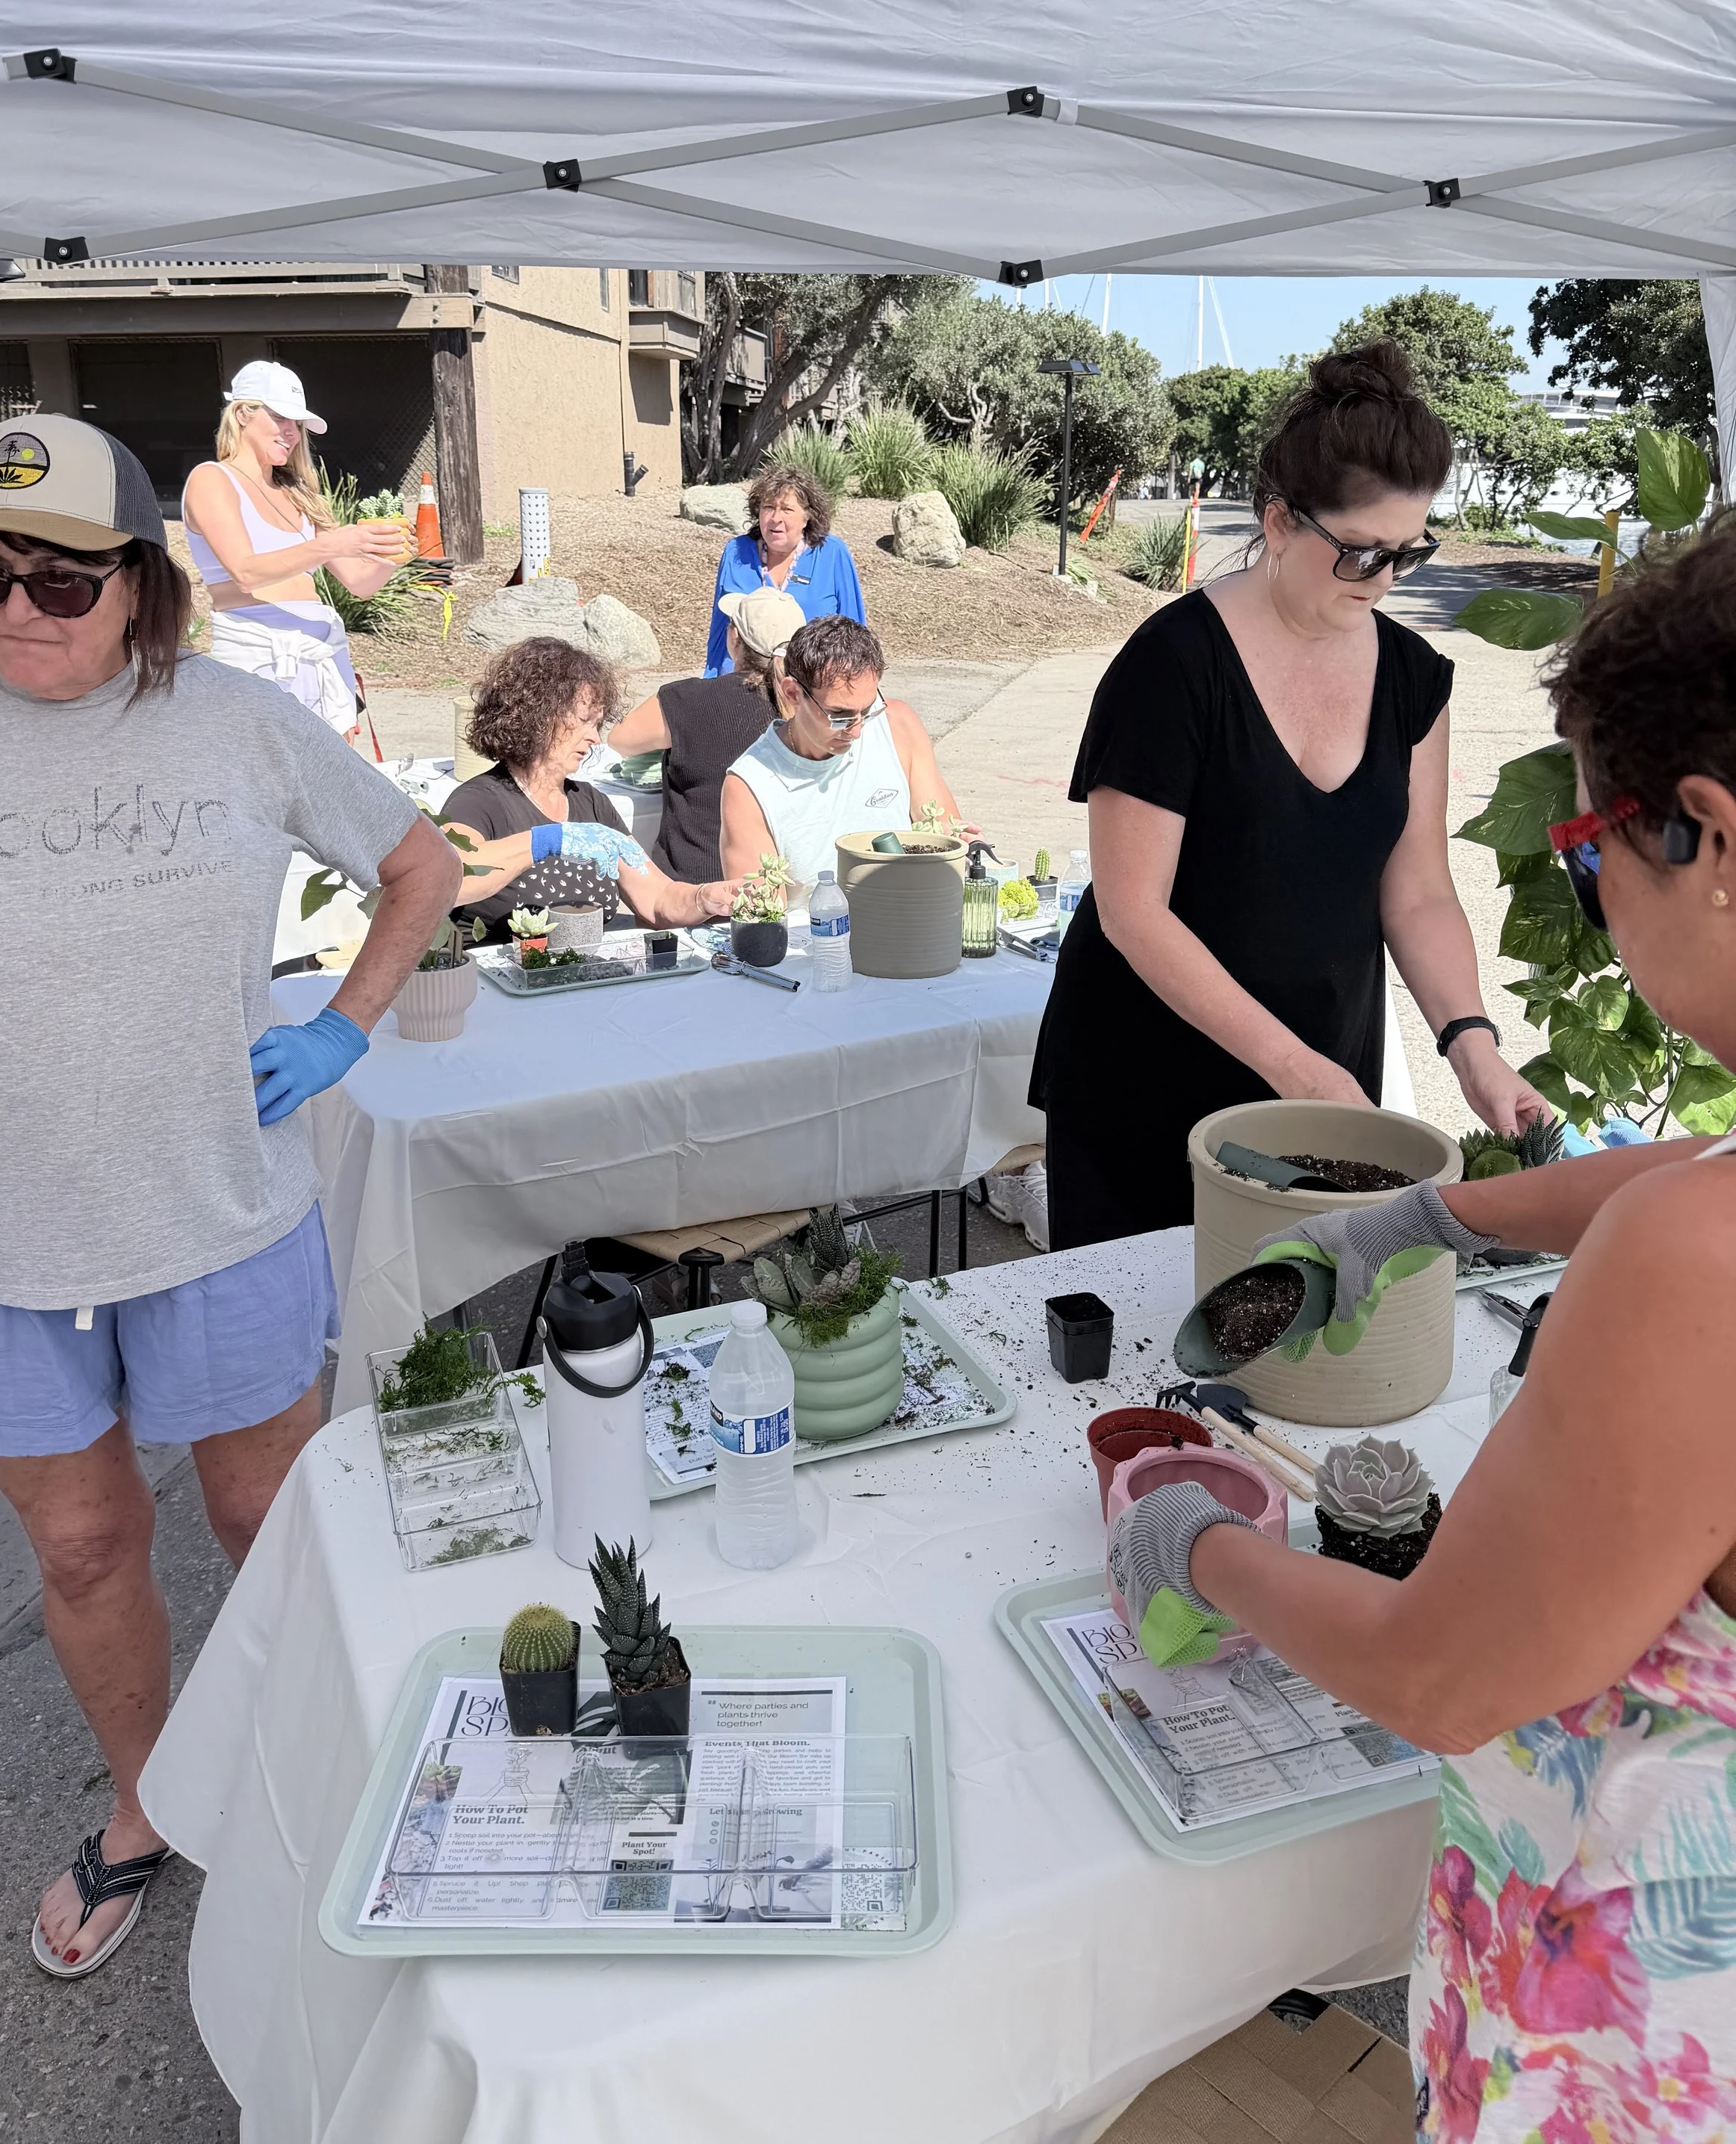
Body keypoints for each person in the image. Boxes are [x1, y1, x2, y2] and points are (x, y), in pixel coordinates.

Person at [1109, 516, 1736, 2140]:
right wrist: (1435, 1214)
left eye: (1591, 847)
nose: (1589, 892)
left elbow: (1444, 1674)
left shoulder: (1691, 1266)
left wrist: (1187, 1543)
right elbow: (1690, 1160)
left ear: (1710, 838)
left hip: (1647, 2031)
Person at [0, 415, 459, 1976]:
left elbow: (420, 863)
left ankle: (302, 1769)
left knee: (268, 1511)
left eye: (58, 582)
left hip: (221, 1212)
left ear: (142, 582)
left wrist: (339, 1026)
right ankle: (148, 1802)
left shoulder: (238, 722)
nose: (11, 610)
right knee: (82, 1545)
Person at [1030, 342, 1542, 1250]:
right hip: (1145, 1076)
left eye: (1406, 553)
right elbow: (1131, 911)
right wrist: (1289, 1065)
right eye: (1358, 554)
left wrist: (1472, 1045)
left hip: (1322, 1078)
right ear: (1277, 522)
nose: (1383, 582)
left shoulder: (1414, 679)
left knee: (1301, 1340)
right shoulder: (1174, 664)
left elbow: (1417, 889)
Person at [439, 637, 737, 937]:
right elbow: (455, 879)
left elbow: (657, 899)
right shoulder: (478, 801)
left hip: (585, 970)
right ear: (537, 718)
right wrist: (547, 840)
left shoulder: (592, 804)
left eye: (597, 724)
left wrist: (704, 898)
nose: (594, 738)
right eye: (583, 721)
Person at [182, 358, 407, 740]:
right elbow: (246, 573)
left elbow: (359, 583)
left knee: (330, 788)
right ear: (242, 414)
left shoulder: (299, 492)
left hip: (319, 653)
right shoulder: (212, 479)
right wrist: (329, 544)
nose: (292, 433)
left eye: (298, 424)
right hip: (258, 654)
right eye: (281, 418)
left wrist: (395, 553)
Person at [722, 614, 969, 886]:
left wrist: (963, 844)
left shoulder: (897, 725)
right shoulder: (749, 786)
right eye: (839, 714)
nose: (857, 730)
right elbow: (764, 917)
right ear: (793, 694)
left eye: (868, 710)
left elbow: (945, 834)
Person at [609, 585, 805, 879]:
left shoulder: (688, 699)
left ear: (734, 638)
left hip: (692, 888)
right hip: (778, 887)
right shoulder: (814, 709)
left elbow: (619, 740)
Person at [703, 463, 865, 676]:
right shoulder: (736, 552)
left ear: (807, 517)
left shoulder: (832, 553)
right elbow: (719, 629)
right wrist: (710, 681)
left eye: (787, 509)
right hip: (741, 683)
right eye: (768, 507)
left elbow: (854, 632)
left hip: (808, 686)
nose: (776, 518)